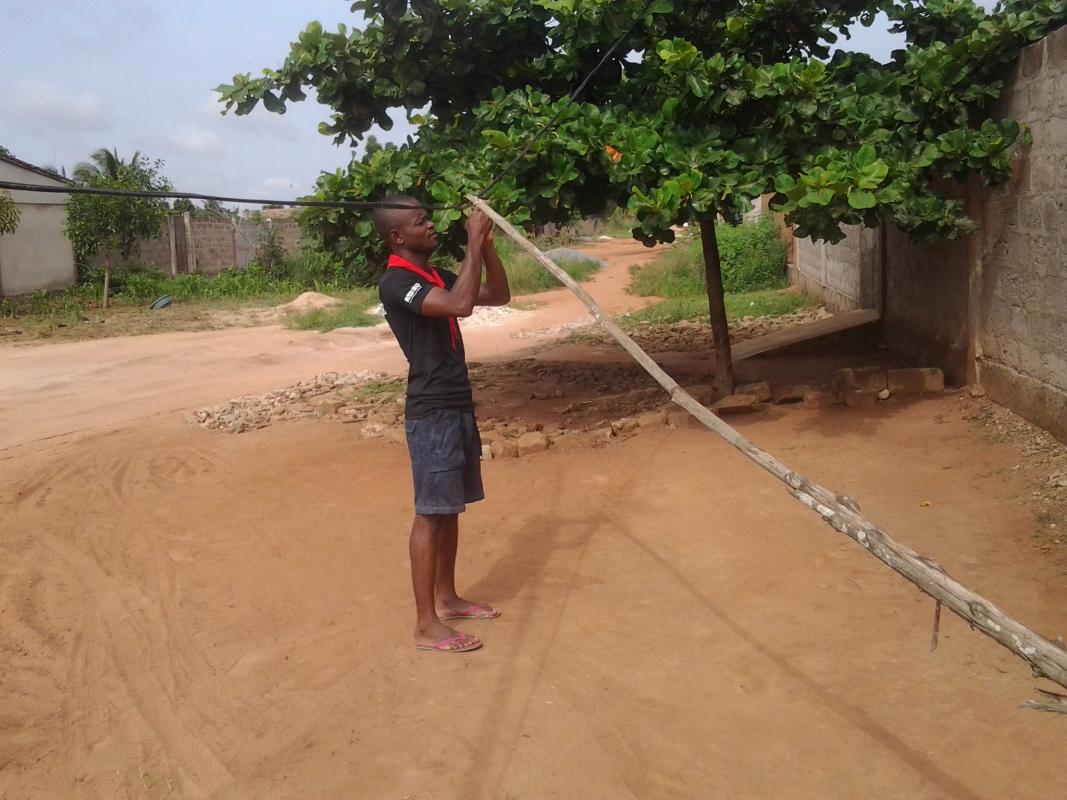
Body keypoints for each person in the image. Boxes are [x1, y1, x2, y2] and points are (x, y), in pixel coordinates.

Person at [374, 196, 511, 653]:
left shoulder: (433, 275)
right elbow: (459, 307)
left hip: (457, 402)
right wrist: (471, 242)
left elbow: (497, 295)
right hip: (430, 410)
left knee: (449, 508)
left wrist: (486, 246)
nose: (432, 225)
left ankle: (448, 599)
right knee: (430, 514)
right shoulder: (396, 282)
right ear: (398, 236)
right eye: (421, 221)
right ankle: (424, 624)